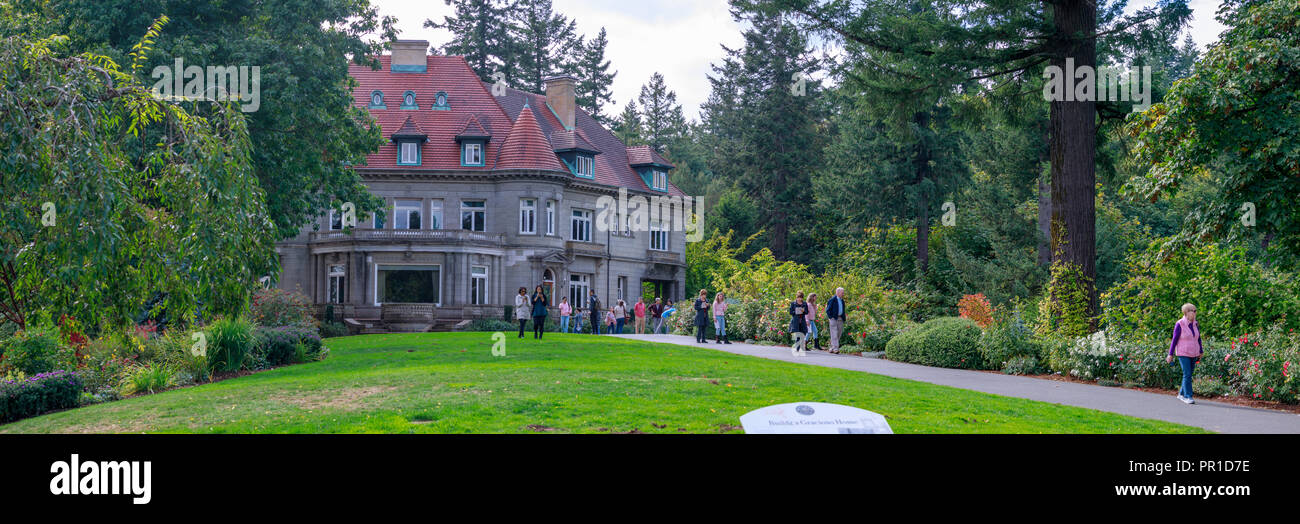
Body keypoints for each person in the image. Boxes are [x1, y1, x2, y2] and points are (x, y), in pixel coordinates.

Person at [1167, 303, 1204, 405]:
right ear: (1187, 312)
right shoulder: (1180, 324)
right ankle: (1188, 396)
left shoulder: (1195, 324)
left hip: (1194, 353)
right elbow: (1174, 340)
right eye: (1194, 311)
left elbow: (1198, 338)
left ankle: (1181, 394)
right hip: (1183, 353)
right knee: (1187, 374)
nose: (1196, 313)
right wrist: (1170, 354)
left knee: (1189, 374)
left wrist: (1201, 350)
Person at [826, 287, 846, 354]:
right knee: (834, 333)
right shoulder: (832, 300)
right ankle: (835, 349)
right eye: (842, 292)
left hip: (840, 318)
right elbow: (828, 310)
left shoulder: (842, 300)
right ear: (837, 292)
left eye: (843, 292)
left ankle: (832, 347)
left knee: (838, 333)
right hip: (833, 318)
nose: (843, 294)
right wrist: (830, 317)